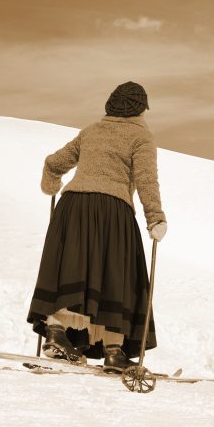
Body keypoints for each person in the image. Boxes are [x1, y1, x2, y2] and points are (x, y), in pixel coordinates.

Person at [26, 81, 167, 373]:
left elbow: (54, 163)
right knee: (116, 279)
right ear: (141, 110)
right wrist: (155, 218)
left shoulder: (92, 131)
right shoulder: (141, 137)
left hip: (73, 208)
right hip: (112, 212)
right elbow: (146, 181)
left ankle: (56, 334)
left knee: (73, 272)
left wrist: (51, 185)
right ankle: (114, 352)